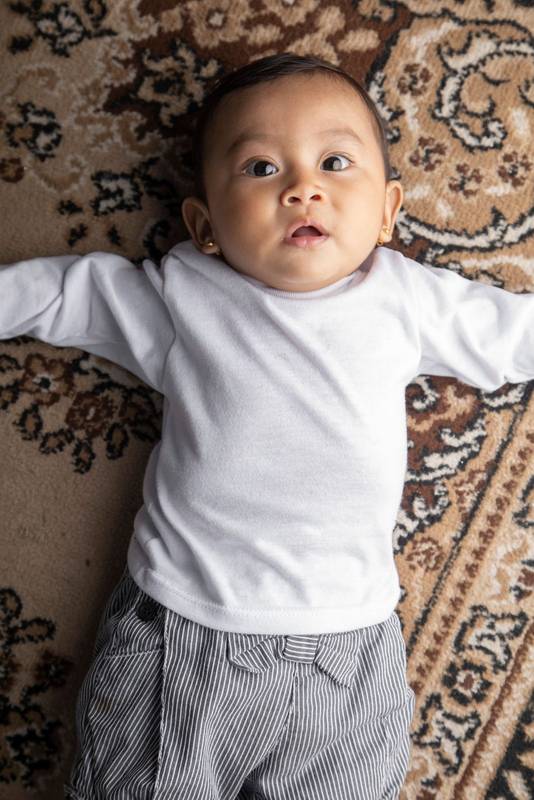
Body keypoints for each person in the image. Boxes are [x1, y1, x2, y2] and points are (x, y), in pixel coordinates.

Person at [1, 52, 532, 800]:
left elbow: (512, 336)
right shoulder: (185, 294)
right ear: (205, 225)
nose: (302, 188)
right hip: (186, 636)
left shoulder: (409, 300)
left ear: (387, 210)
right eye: (260, 168)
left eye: (335, 162)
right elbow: (64, 295)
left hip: (351, 652)